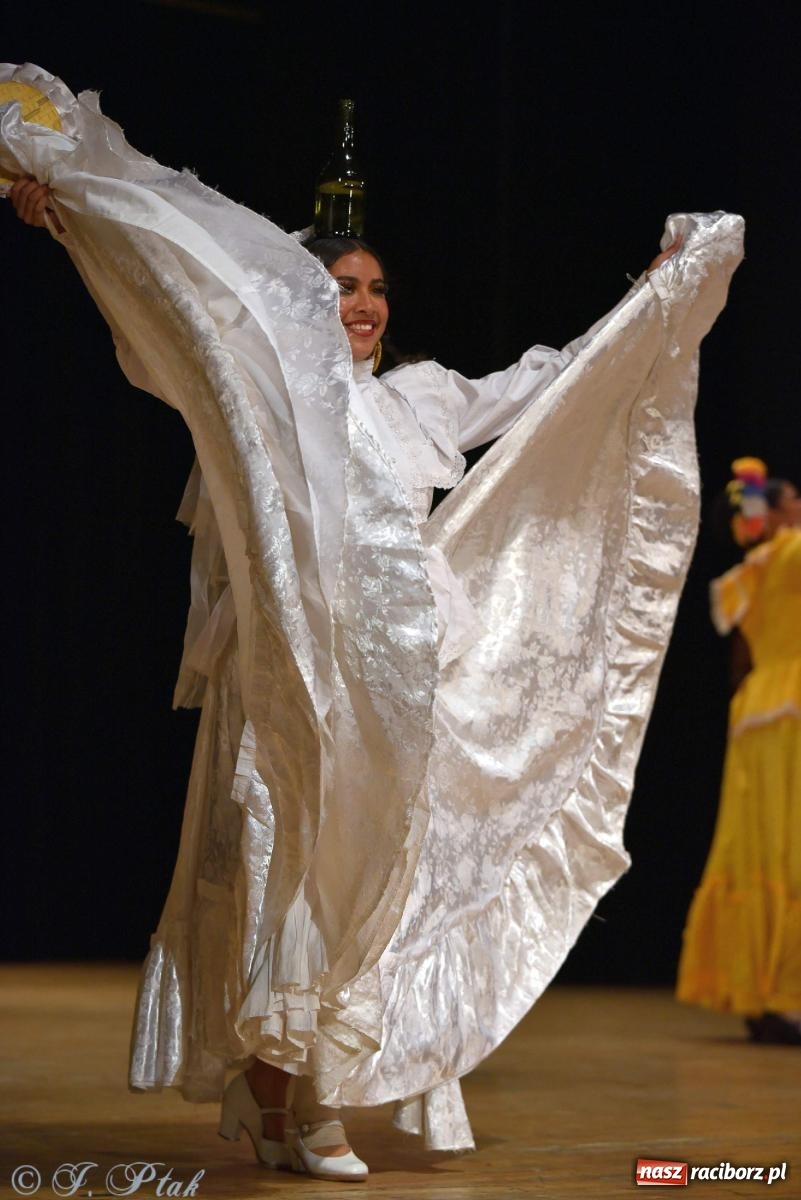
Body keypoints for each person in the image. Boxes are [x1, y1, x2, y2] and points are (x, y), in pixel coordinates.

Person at [4, 65, 743, 1182]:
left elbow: (546, 389)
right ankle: (284, 1100)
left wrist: (644, 306)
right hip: (291, 681)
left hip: (398, 680)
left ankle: (302, 1098)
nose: (364, 303)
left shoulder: (424, 397)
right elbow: (169, 303)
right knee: (289, 871)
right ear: (302, 300)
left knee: (373, 882)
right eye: (342, 285)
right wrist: (72, 219)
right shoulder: (262, 394)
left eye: (376, 288)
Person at [676, 459, 801, 1045]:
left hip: (756, 709)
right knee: (787, 844)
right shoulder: (791, 553)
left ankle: (762, 993)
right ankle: (784, 992)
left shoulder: (751, 571)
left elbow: (741, 660)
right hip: (792, 706)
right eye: (793, 501)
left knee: (760, 844)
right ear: (775, 512)